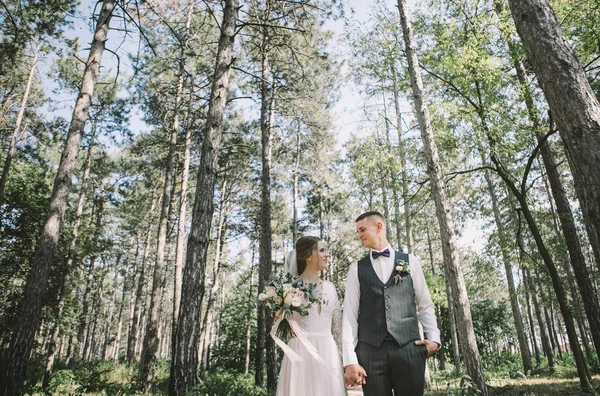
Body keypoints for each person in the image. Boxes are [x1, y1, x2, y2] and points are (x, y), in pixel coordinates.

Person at [342, 211, 441, 396]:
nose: (359, 235)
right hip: (370, 354)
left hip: (409, 350)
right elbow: (349, 315)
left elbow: (425, 304)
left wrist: (434, 339)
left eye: (362, 229)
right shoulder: (356, 269)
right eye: (357, 231)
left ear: (379, 226)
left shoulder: (411, 261)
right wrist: (350, 359)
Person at [276, 236, 346, 396]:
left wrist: (347, 362)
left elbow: (338, 330)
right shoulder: (290, 289)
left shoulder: (331, 288)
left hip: (329, 354)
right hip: (301, 355)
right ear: (308, 256)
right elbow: (282, 326)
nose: (326, 254)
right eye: (321, 250)